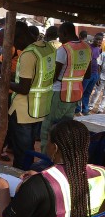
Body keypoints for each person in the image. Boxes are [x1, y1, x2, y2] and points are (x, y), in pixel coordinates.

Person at [7, 21, 56, 170]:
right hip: (40, 108)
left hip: (23, 111)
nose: (14, 47)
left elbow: (23, 87)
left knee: (22, 151)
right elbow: (38, 77)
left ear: (18, 37)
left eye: (13, 42)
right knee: (28, 147)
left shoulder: (28, 54)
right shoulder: (48, 48)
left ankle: (21, 181)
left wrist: (3, 81)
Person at [40, 22, 92, 154]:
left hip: (60, 93)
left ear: (64, 33)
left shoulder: (64, 49)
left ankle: (46, 160)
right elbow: (88, 74)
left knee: (48, 128)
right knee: (65, 130)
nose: (59, 39)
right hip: (75, 94)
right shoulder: (86, 47)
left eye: (59, 36)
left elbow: (54, 75)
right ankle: (61, 159)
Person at [76, 33, 103, 115]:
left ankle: (85, 109)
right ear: (94, 38)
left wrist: (98, 76)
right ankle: (77, 109)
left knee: (88, 93)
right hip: (87, 74)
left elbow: (99, 64)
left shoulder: (99, 49)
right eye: (97, 39)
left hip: (95, 74)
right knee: (81, 92)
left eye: (100, 40)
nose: (98, 41)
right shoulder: (88, 48)